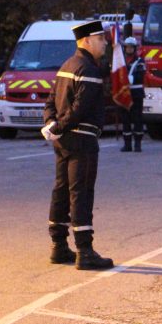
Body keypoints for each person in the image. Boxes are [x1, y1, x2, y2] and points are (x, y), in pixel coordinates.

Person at [41, 20, 113, 270]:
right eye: (101, 39)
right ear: (87, 41)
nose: (105, 43)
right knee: (81, 191)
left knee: (61, 190)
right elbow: (79, 109)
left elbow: (50, 102)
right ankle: (85, 250)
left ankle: (59, 247)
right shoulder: (89, 70)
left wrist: (51, 124)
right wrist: (58, 125)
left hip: (63, 141)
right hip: (82, 139)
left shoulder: (66, 66)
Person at [120, 37, 145, 153]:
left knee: (137, 119)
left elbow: (141, 76)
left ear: (135, 48)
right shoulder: (120, 61)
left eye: (131, 47)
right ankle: (127, 144)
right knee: (125, 119)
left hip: (136, 94)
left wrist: (131, 79)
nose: (129, 49)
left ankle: (138, 144)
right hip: (124, 94)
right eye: (127, 47)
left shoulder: (140, 61)